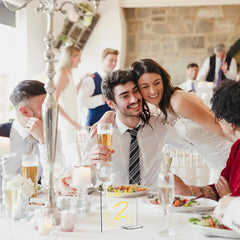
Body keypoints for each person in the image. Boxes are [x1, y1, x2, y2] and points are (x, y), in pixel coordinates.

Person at [98, 59, 233, 181]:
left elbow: (223, 129)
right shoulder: (157, 108)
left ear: (163, 80)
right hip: (216, 165)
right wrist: (108, 117)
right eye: (145, 86)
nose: (153, 91)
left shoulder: (178, 101)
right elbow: (123, 112)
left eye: (157, 82)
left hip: (230, 157)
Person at [82, 70, 166, 190]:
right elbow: (85, 186)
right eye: (125, 96)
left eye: (135, 91)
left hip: (151, 203)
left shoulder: (158, 125)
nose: (134, 99)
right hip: (115, 205)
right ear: (111, 103)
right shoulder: (100, 133)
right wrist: (91, 166)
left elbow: (189, 141)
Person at [174, 80, 240, 200]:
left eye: (219, 118)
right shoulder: (236, 148)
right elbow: (218, 188)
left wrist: (228, 198)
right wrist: (186, 189)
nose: (216, 121)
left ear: (232, 122)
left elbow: (226, 194)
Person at [4, 80, 65, 179]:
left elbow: (57, 177)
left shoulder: (53, 134)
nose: (50, 111)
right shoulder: (2, 136)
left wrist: (44, 142)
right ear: (25, 112)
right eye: (45, 107)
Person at [55, 45, 82, 166]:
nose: (80, 60)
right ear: (72, 58)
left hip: (72, 121)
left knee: (73, 153)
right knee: (68, 153)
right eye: (78, 57)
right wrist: (71, 122)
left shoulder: (68, 74)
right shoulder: (61, 74)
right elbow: (53, 101)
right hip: (66, 123)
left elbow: (70, 95)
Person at [78, 48, 119, 127]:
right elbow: (82, 101)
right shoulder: (90, 79)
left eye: (116, 61)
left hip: (112, 124)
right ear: (103, 60)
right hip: (94, 124)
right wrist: (103, 98)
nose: (114, 63)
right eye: (111, 60)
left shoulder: (115, 79)